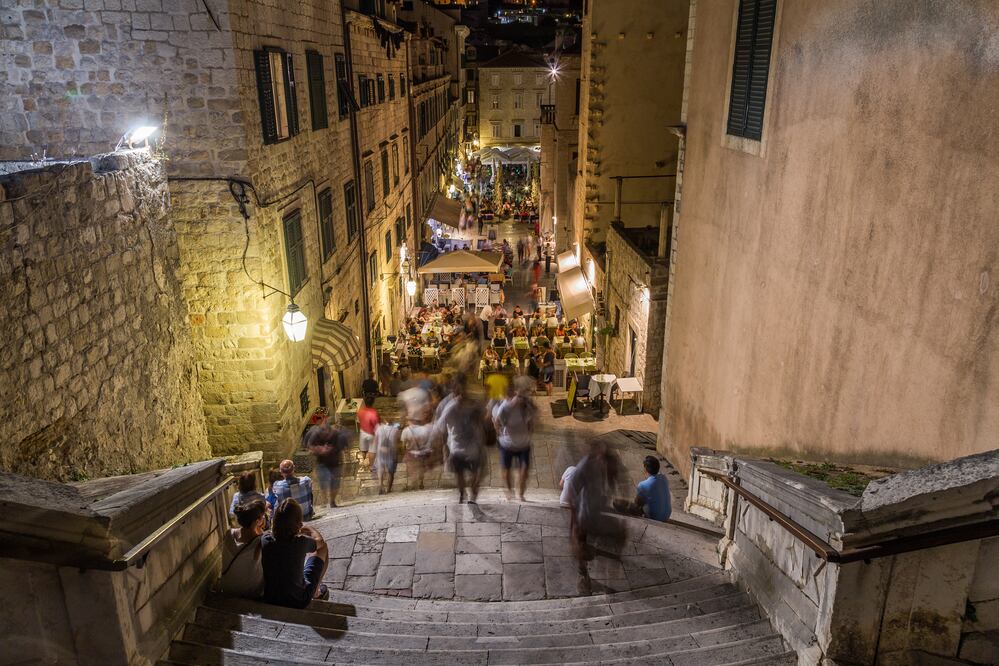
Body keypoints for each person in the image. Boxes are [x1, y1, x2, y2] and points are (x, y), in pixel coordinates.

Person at [569, 439, 624, 579]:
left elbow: (612, 481)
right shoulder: (585, 465)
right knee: (581, 538)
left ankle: (593, 561)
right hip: (584, 510)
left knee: (596, 538)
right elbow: (572, 489)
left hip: (597, 509)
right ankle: (582, 568)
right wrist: (574, 514)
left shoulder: (606, 463)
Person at [262, 499, 329, 608]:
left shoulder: (265, 540)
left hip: (271, 599)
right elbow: (320, 542)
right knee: (322, 548)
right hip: (298, 600)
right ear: (298, 523)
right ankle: (316, 592)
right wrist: (309, 528)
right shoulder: (300, 542)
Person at [432, 375, 485, 504]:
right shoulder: (451, 405)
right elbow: (440, 427)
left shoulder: (448, 405)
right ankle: (466, 493)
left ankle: (466, 493)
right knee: (470, 471)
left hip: (464, 446)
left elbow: (438, 426)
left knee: (471, 472)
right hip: (462, 445)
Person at [493, 378, 537, 501]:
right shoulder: (505, 408)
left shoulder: (525, 406)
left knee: (524, 470)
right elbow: (496, 422)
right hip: (507, 444)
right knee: (506, 471)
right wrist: (499, 434)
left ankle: (521, 494)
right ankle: (509, 491)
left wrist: (529, 432)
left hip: (523, 444)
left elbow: (531, 421)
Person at [220, 499, 267, 599]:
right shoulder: (259, 541)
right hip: (247, 593)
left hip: (227, 588)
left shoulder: (229, 534)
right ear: (257, 521)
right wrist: (260, 530)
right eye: (263, 517)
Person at [615, 456, 673, 522]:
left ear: (645, 469)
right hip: (667, 516)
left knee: (619, 503)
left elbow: (637, 505)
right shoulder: (664, 478)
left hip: (655, 518)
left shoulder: (643, 485)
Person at [306, 424, 348, 510]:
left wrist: (343, 462)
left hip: (335, 463)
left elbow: (341, 450)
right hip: (322, 464)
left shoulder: (336, 436)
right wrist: (320, 450)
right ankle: (325, 502)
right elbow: (310, 449)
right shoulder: (316, 436)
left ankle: (332, 502)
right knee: (323, 483)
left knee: (335, 484)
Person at [374, 422, 401, 494]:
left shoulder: (379, 428)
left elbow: (375, 441)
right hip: (391, 453)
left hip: (380, 452)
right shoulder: (395, 430)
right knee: (391, 472)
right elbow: (397, 442)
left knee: (380, 469)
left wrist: (377, 450)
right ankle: (388, 489)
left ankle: (380, 486)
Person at [357, 394, 380, 470]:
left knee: (363, 450)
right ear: (373, 403)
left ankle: (364, 462)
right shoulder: (374, 412)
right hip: (371, 434)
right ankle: (371, 466)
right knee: (372, 451)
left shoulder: (360, 411)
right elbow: (376, 425)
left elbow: (358, 421)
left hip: (362, 432)